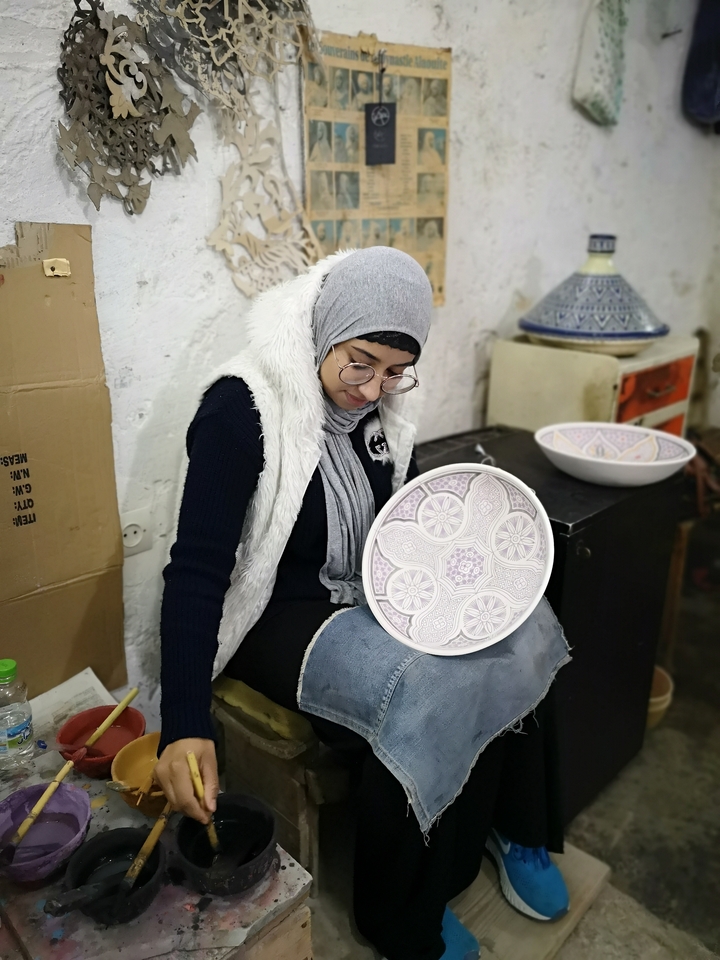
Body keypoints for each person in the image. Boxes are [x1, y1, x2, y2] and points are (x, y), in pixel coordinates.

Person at [156, 248, 570, 960]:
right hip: (276, 611)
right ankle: (404, 909)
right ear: (324, 330)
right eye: (360, 361)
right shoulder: (240, 410)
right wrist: (181, 721)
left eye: (393, 371)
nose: (374, 387)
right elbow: (195, 572)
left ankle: (511, 824)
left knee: (517, 618)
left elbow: (404, 513)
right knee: (426, 683)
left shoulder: (384, 412)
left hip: (371, 587)